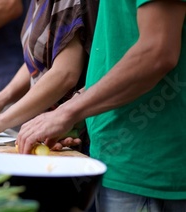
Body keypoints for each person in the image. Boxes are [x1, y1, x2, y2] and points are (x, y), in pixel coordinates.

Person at [16, 1, 186, 211]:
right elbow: (116, 60)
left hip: (150, 167)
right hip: (116, 158)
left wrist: (67, 113)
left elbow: (157, 53)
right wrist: (75, 115)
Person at [0, 0, 98, 152]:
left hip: (84, 131)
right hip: (54, 132)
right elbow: (36, 60)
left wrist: (2, 120)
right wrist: (2, 98)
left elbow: (64, 74)